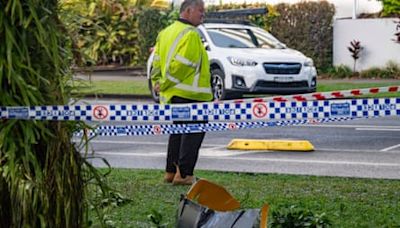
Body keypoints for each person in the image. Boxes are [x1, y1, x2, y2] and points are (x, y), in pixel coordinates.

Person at [150, 0, 213, 185]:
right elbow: (185, 65)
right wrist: (166, 82)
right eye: (200, 11)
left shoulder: (166, 32)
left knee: (177, 131)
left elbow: (157, 61)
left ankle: (171, 171)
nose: (203, 14)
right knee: (193, 133)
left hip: (174, 95)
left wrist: (158, 82)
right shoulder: (191, 34)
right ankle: (184, 174)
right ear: (188, 10)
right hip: (193, 95)